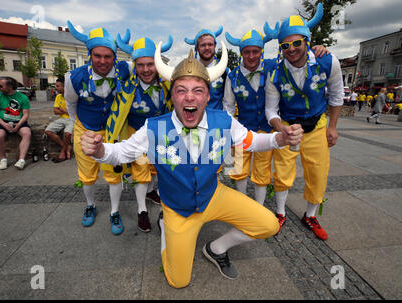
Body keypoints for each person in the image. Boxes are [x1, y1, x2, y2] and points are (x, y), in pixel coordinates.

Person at [80, 41, 303, 288]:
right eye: (181, 90)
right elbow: (121, 152)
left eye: (198, 90)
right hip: (178, 207)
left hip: (213, 196)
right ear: (172, 95)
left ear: (207, 96)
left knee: (269, 224)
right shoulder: (154, 127)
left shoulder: (224, 121)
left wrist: (279, 137)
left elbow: (252, 141)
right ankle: (167, 226)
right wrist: (100, 150)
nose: (189, 97)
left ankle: (216, 248)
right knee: (178, 281)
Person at [224, 25, 328, 205]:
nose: (251, 56)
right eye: (246, 52)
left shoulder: (273, 67)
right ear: (241, 53)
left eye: (255, 51)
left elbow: (295, 56)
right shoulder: (232, 76)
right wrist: (231, 133)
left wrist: (316, 48)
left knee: (262, 171)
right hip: (240, 131)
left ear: (261, 51)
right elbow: (228, 107)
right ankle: (240, 206)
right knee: (237, 169)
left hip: (266, 130)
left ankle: (259, 208)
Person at [265, 3, 344, 240]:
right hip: (289, 126)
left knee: (318, 172)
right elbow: (271, 109)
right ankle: (280, 213)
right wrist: (282, 129)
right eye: (285, 45)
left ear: (307, 41)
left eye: (296, 43)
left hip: (317, 125)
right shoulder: (275, 73)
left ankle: (310, 216)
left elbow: (337, 94)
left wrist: (332, 127)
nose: (291, 49)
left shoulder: (328, 62)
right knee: (282, 173)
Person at [64, 21, 132, 234]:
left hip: (111, 131)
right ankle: (90, 206)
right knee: (87, 174)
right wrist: (82, 129)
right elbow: (71, 105)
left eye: (108, 56)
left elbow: (145, 64)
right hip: (84, 128)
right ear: (90, 55)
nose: (103, 61)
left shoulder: (125, 69)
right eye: (97, 56)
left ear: (114, 56)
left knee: (113, 173)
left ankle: (114, 211)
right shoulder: (73, 78)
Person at [113, 34, 173, 232]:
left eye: (150, 64)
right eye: (140, 65)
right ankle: (142, 211)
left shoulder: (166, 84)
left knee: (157, 169)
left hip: (161, 134)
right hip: (135, 134)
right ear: (134, 65)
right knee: (141, 173)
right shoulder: (128, 85)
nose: (146, 70)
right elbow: (115, 67)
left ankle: (152, 192)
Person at [0, 76, 32, 170]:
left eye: (1, 86)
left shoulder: (22, 97)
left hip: (18, 121)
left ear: (10, 87)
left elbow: (25, 114)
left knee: (27, 133)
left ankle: (21, 160)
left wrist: (19, 124)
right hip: (2, 121)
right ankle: (3, 159)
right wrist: (3, 124)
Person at [185, 26, 229, 110]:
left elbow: (228, 102)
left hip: (216, 120)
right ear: (197, 48)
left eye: (210, 44)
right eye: (203, 45)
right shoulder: (188, 70)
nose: (207, 48)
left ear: (215, 45)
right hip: (192, 120)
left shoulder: (225, 71)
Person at [45, 77, 74, 162]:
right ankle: (67, 147)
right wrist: (66, 111)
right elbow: (55, 111)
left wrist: (62, 110)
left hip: (72, 119)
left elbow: (74, 113)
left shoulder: (72, 96)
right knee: (48, 131)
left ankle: (62, 152)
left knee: (68, 134)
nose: (56, 88)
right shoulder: (58, 97)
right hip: (61, 119)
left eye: (58, 86)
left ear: (64, 86)